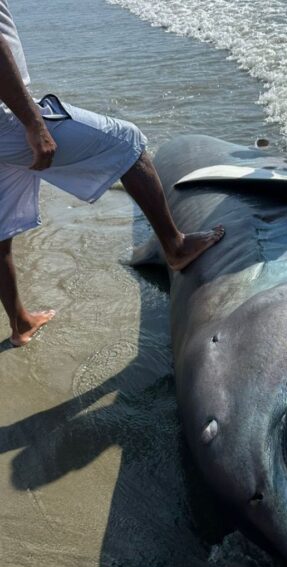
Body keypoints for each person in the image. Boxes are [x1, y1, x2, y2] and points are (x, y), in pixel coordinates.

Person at [0, 0, 224, 348]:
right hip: (6, 118)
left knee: (2, 224)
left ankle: (20, 323)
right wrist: (33, 123)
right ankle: (175, 245)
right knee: (127, 142)